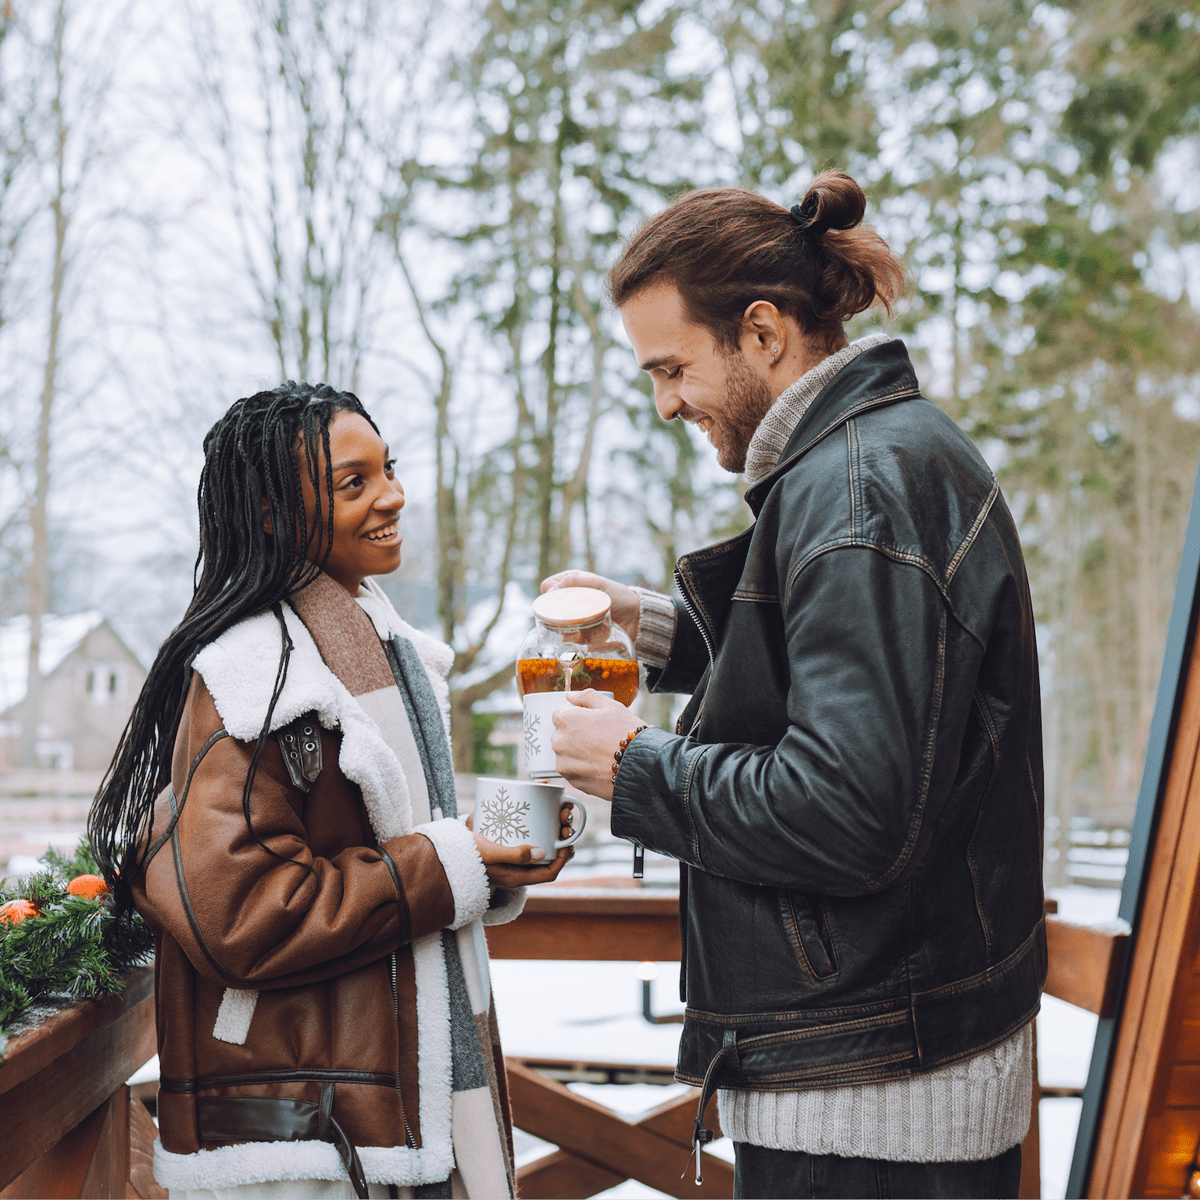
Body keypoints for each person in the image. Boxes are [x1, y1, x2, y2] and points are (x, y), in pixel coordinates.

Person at [545, 173, 1045, 1200]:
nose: (665, 401)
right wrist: (662, 633)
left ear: (763, 332)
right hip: (882, 1067)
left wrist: (634, 767)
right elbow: (861, 681)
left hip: (875, 1104)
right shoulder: (872, 462)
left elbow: (847, 811)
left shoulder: (858, 493)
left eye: (672, 367)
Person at [89, 382, 573, 1200]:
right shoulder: (258, 675)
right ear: (275, 512)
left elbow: (373, 844)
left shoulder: (377, 647)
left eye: (389, 469)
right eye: (355, 483)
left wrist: (486, 858)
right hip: (301, 1137)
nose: (394, 496)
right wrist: (452, 862)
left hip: (358, 1108)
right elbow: (240, 912)